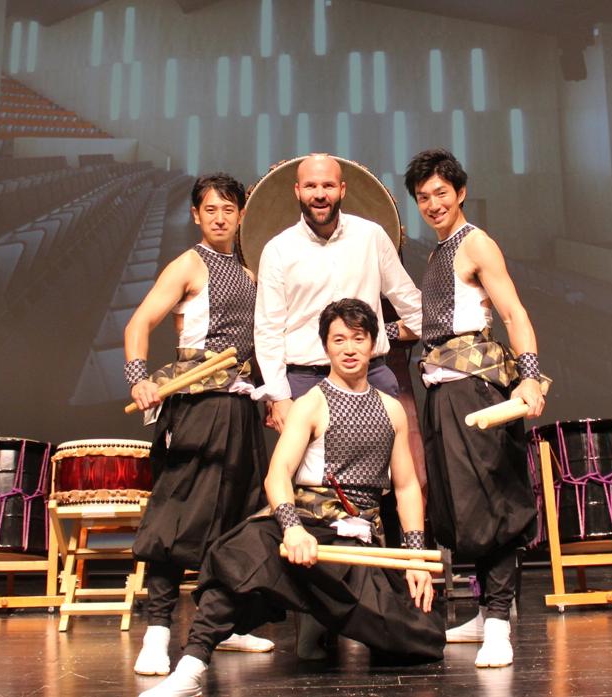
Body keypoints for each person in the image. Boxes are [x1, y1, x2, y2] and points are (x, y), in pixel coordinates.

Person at [141, 299, 444, 697]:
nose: (349, 348)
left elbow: (405, 487)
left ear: (373, 345)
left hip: (358, 547)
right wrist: (293, 529)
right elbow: (278, 475)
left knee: (422, 638)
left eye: (358, 339)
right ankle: (190, 669)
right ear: (326, 347)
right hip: (308, 530)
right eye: (339, 340)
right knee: (242, 550)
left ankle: (322, 619)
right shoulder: (310, 404)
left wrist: (415, 560)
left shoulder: (392, 410)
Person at [123, 173, 274, 676]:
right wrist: (139, 380)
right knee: (175, 518)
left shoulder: (252, 272)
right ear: (195, 215)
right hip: (193, 404)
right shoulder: (188, 265)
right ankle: (159, 630)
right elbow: (138, 324)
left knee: (236, 518)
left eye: (229, 209)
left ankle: (226, 626)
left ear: (241, 215)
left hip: (239, 406)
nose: (219, 218)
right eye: (210, 209)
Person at [404, 149, 546, 668]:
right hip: (443, 389)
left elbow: (513, 312)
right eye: (423, 197)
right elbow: (439, 320)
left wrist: (530, 376)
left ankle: (502, 621)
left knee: (493, 499)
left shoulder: (476, 243)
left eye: (441, 193)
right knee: (461, 506)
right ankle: (487, 613)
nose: (433, 203)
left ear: (460, 193)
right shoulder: (439, 252)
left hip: (478, 386)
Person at [253, 154, 423, 433]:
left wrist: (439, 350)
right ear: (297, 190)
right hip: (306, 381)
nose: (319, 194)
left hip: (371, 376)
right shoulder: (278, 249)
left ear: (342, 189)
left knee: (379, 475)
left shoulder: (371, 236)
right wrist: (280, 396)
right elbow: (268, 330)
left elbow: (408, 301)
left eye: (328, 186)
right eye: (310, 186)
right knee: (313, 477)